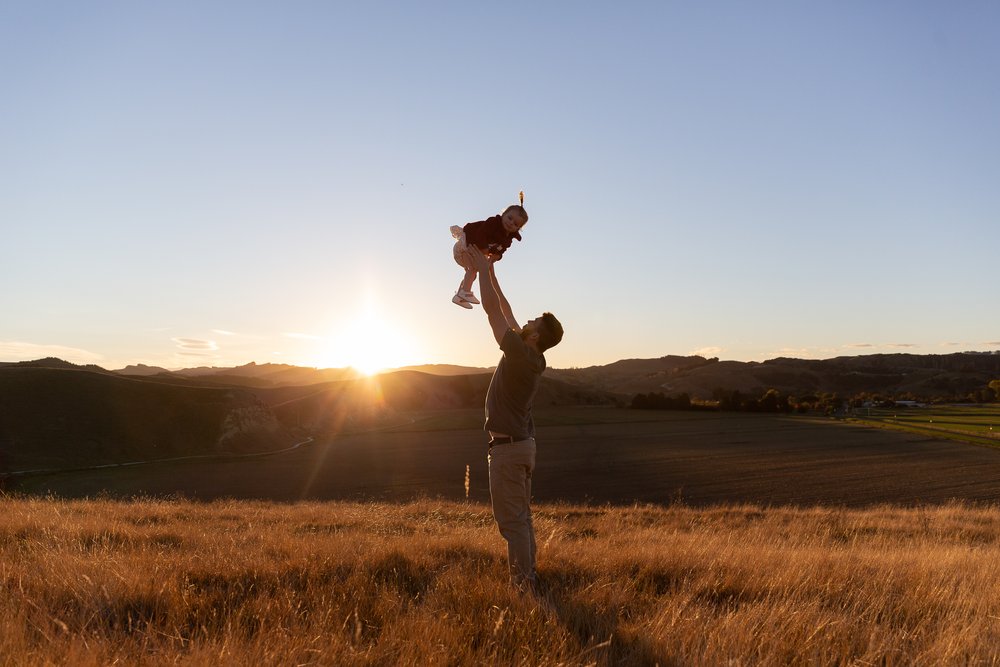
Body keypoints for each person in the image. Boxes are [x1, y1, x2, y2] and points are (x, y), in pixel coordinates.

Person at [467, 245, 563, 591]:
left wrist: (478, 272)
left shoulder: (523, 356)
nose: (525, 321)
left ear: (535, 336)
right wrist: (490, 272)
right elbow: (505, 310)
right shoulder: (531, 355)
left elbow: (493, 313)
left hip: (508, 450)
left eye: (532, 322)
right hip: (520, 446)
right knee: (521, 519)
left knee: (512, 523)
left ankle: (524, 584)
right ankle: (529, 576)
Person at [450, 201, 528, 308]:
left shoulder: (507, 239)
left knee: (472, 273)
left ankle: (459, 297)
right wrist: (485, 249)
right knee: (472, 269)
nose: (511, 223)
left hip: (473, 253)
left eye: (515, 224)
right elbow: (481, 233)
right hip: (464, 248)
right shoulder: (493, 223)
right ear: (503, 214)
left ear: (518, 229)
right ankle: (465, 292)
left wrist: (497, 256)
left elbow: (501, 250)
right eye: (510, 218)